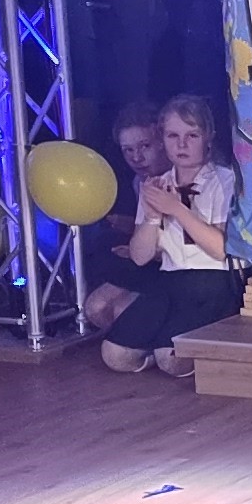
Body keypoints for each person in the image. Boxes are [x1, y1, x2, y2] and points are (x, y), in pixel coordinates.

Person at [100, 94, 238, 377]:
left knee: (173, 360)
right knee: (115, 355)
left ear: (208, 137)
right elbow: (140, 257)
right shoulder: (157, 184)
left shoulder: (224, 179)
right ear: (162, 139)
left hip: (213, 281)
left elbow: (220, 249)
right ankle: (157, 350)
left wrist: (176, 209)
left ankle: (186, 349)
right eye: (173, 136)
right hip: (170, 280)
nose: (182, 145)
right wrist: (152, 216)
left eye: (192, 135)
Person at [84, 103, 164, 335]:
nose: (136, 157)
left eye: (145, 146)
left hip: (180, 268)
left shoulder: (187, 177)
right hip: (150, 263)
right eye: (128, 150)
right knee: (96, 308)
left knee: (122, 309)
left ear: (162, 141)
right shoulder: (140, 182)